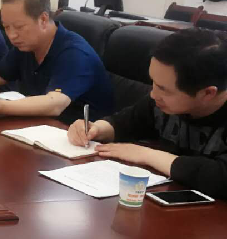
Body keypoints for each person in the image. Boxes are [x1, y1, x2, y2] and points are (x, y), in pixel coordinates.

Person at [68, 28, 227, 199]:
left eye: (163, 89)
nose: (153, 94)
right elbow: (126, 122)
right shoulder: (163, 103)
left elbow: (220, 178)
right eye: (153, 83)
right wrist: (96, 129)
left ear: (207, 93)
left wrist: (147, 155)